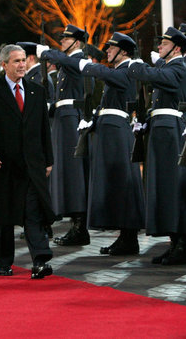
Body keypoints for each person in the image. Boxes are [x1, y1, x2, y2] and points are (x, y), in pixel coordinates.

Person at [0, 44, 55, 279]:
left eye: (23, 61)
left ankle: (41, 260)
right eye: (16, 61)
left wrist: (48, 160)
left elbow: (43, 131)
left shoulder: (36, 92)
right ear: (4, 64)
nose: (21, 65)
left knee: (33, 213)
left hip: (31, 166)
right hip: (2, 166)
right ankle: (4, 262)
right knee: (4, 217)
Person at [128, 27, 186, 265]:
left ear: (176, 48)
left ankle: (183, 245)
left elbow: (155, 77)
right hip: (161, 129)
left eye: (164, 44)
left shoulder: (179, 68)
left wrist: (135, 65)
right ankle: (174, 241)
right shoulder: (168, 67)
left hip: (171, 131)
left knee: (173, 186)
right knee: (162, 186)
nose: (159, 47)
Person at [78, 32, 145, 255]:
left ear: (123, 51)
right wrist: (94, 119)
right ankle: (124, 237)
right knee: (115, 184)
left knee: (122, 183)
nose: (107, 51)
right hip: (109, 129)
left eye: (112, 48)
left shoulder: (127, 70)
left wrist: (83, 63)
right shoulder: (118, 71)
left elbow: (101, 72)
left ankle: (129, 238)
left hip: (117, 130)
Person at [38, 25, 90, 246]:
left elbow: (61, 60)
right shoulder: (67, 63)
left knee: (73, 172)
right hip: (63, 117)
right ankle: (75, 224)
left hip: (71, 119)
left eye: (66, 40)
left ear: (76, 43)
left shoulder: (77, 60)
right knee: (66, 172)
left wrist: (46, 52)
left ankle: (80, 226)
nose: (62, 43)